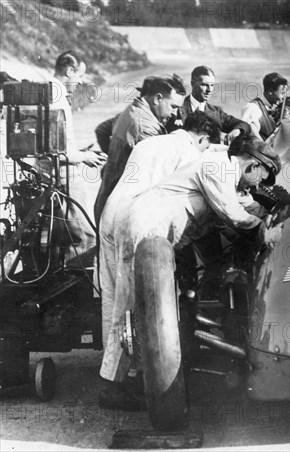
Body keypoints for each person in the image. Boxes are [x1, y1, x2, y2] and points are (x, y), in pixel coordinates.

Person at [98, 135, 282, 410]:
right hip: (143, 227)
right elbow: (232, 213)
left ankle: (134, 377)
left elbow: (244, 204)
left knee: (146, 310)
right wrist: (263, 230)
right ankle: (111, 387)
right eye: (261, 179)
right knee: (130, 307)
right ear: (253, 166)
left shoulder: (227, 175)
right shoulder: (216, 166)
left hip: (156, 236)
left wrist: (272, 211)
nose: (255, 186)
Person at [98, 111, 220, 351]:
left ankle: (110, 367)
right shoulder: (190, 152)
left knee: (112, 295)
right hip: (134, 219)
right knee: (139, 298)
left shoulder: (149, 142)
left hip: (110, 212)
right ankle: (140, 368)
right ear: (204, 139)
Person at [93, 75, 186, 223]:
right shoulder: (146, 128)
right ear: (157, 99)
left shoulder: (132, 109)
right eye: (173, 107)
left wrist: (112, 157)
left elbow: (102, 130)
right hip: (120, 212)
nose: (175, 114)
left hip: (107, 202)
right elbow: (159, 175)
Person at [46, 51, 107, 266]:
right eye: (79, 76)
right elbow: (59, 151)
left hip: (53, 176)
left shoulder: (49, 92)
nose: (80, 82)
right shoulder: (58, 99)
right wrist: (85, 156)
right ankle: (76, 294)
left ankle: (56, 287)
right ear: (68, 70)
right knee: (87, 238)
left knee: (58, 239)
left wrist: (80, 152)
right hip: (65, 179)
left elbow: (54, 144)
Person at [168, 65, 250, 142]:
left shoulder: (216, 112)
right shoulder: (177, 107)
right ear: (193, 84)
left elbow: (244, 125)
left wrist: (237, 131)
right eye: (204, 85)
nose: (209, 90)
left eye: (212, 85)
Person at [241, 72, 288, 140]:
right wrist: (265, 148)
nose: (284, 97)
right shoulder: (253, 108)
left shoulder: (282, 107)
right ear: (270, 91)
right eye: (282, 93)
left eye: (286, 93)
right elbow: (250, 133)